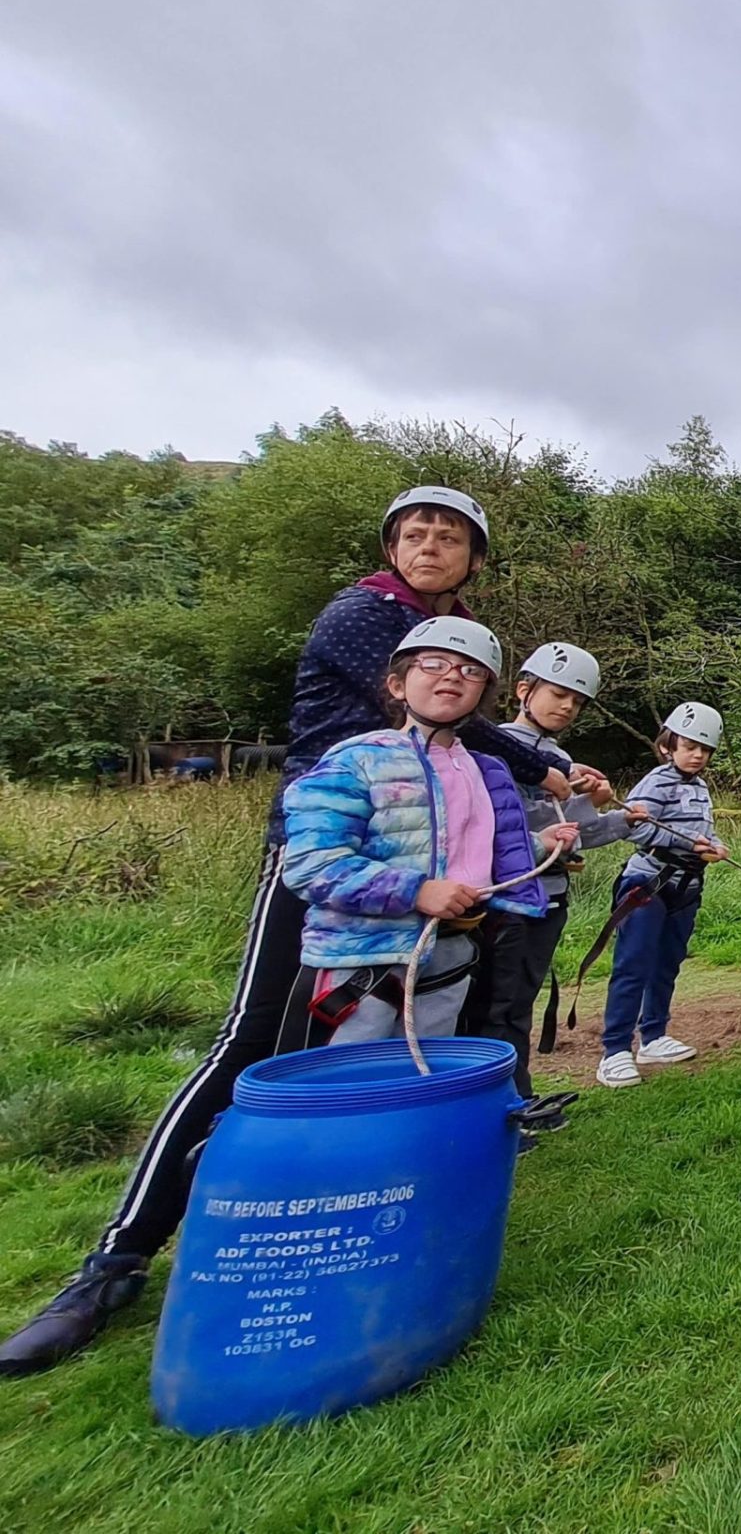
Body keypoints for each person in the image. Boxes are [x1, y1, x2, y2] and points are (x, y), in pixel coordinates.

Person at [0, 484, 566, 1378]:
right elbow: (461, 712)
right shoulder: (368, 615)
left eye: (449, 536)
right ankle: (114, 1264)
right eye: (415, 532)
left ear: (474, 560)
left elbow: (472, 748)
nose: (429, 544)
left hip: (434, 889)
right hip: (334, 857)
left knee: (416, 1058)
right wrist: (544, 761)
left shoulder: (453, 691)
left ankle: (371, 1253)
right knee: (257, 1046)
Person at [283, 618, 576, 1045]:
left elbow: (476, 847)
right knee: (356, 1092)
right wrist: (415, 891)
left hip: (454, 957)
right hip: (369, 961)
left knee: (429, 1084)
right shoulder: (357, 761)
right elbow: (312, 865)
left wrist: (539, 844)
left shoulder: (486, 769)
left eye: (471, 671)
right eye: (433, 663)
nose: (453, 676)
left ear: (481, 695)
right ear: (398, 685)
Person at [469, 642, 649, 1097]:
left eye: (577, 701)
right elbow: (492, 827)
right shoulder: (492, 748)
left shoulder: (559, 758)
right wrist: (546, 836)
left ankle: (516, 1097)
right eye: (558, 694)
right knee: (499, 1007)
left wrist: (617, 819)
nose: (568, 706)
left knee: (519, 1003)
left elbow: (571, 834)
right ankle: (504, 1104)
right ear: (524, 690)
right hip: (506, 898)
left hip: (550, 895)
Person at [597, 703, 728, 1088]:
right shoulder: (656, 782)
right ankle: (615, 1050)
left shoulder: (700, 786)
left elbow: (704, 828)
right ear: (668, 745)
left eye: (705, 749)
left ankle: (653, 1037)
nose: (698, 755)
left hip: (686, 888)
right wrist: (687, 843)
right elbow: (634, 829)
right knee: (633, 965)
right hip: (647, 885)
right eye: (689, 746)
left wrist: (715, 847)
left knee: (667, 965)